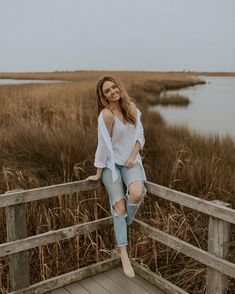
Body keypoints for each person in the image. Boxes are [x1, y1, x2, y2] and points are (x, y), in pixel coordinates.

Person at [86, 76, 147, 278]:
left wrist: (132, 157)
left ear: (119, 87)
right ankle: (123, 254)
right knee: (119, 206)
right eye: (107, 91)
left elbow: (140, 135)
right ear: (103, 97)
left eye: (114, 87)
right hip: (112, 166)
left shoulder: (131, 108)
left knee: (137, 194)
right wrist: (98, 172)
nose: (113, 92)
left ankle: (122, 223)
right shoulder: (106, 115)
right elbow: (103, 146)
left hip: (131, 163)